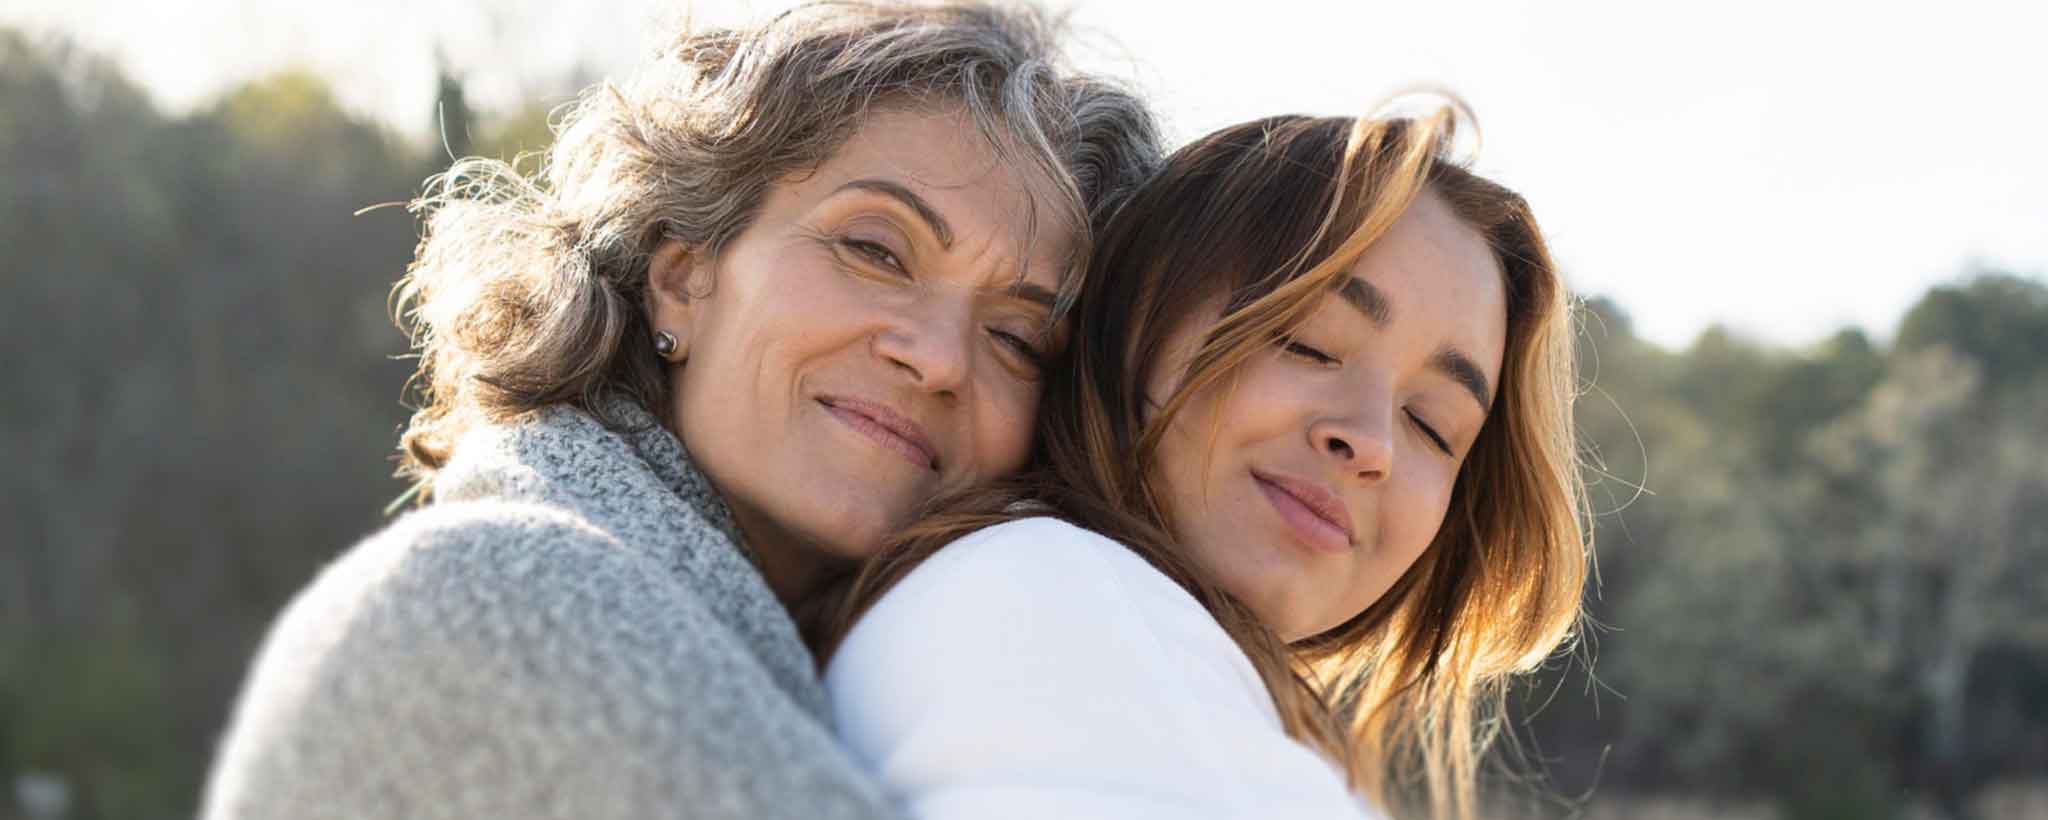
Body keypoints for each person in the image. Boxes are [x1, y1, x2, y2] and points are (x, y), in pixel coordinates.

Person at [200, 3, 1160, 818]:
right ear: (683, 273)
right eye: (876, 250)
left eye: (1019, 340)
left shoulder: (877, 675)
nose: (942, 357)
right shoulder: (513, 597)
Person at [823, 101, 1588, 820]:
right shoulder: (1062, 594)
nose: (1373, 444)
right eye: (1307, 342)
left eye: (1432, 425)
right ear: (1138, 315)